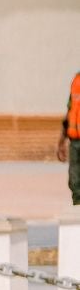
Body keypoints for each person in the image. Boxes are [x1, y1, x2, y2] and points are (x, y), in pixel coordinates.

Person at [63, 68, 80, 206]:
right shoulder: (76, 81)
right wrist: (61, 140)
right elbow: (70, 110)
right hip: (75, 141)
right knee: (75, 181)